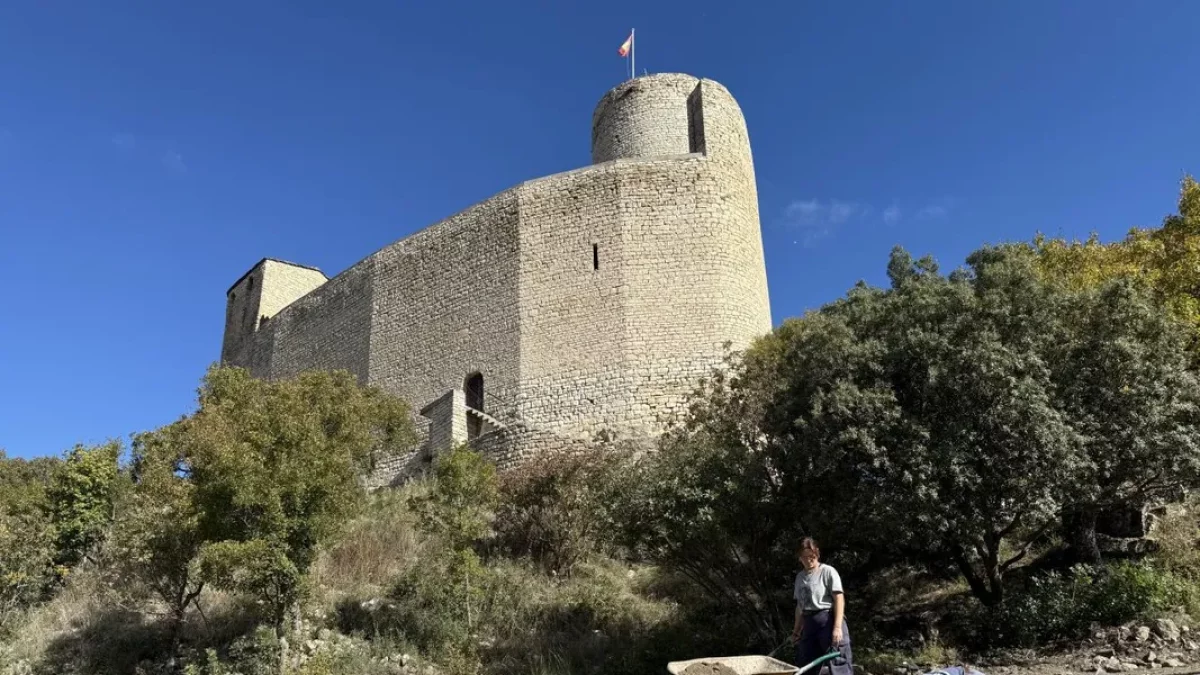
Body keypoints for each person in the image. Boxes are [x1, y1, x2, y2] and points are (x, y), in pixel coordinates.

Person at [791, 537, 853, 675]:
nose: (808, 560)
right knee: (806, 663)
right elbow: (800, 607)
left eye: (812, 556)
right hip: (809, 624)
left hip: (828, 621)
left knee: (838, 661)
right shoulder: (800, 577)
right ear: (799, 557)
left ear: (817, 554)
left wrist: (837, 628)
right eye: (804, 557)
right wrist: (796, 630)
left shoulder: (827, 571)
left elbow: (839, 598)